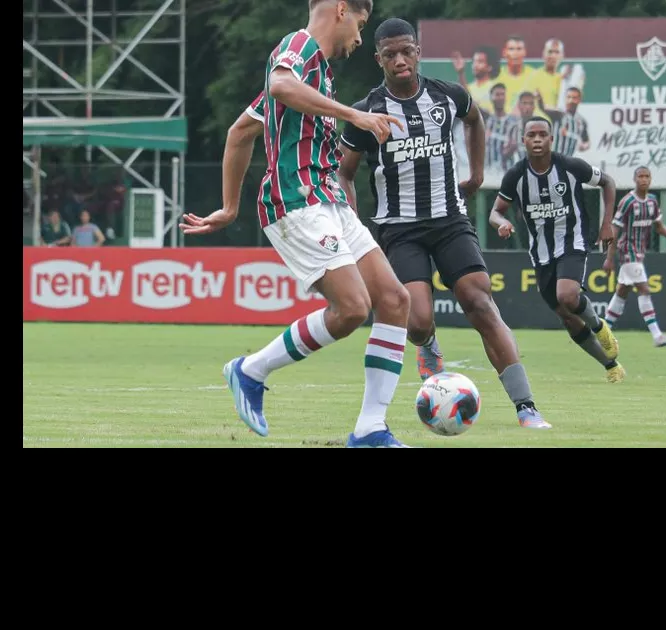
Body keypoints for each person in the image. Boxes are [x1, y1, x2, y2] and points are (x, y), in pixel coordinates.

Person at [178, 0, 415, 448]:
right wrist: (353, 114)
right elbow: (280, 84)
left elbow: (240, 133)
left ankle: (369, 430)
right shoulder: (299, 46)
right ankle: (250, 370)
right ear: (342, 9)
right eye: (361, 25)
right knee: (351, 309)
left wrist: (230, 208)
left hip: (329, 202)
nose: (361, 39)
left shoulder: (320, 75)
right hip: (296, 200)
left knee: (394, 299)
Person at [337, 17, 552, 429]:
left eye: (406, 51)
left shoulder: (448, 96)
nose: (400, 60)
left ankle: (526, 407)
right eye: (390, 55)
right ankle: (428, 343)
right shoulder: (367, 112)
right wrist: (353, 222)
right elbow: (345, 173)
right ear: (378, 58)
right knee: (416, 322)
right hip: (399, 229)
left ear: (417, 52)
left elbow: (475, 120)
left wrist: (475, 175)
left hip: (450, 219)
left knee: (480, 303)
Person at [487, 117, 624, 383]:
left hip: (573, 242)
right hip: (540, 254)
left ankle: (599, 326)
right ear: (523, 140)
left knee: (568, 295)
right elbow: (495, 212)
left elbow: (607, 182)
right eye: (531, 135)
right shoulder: (515, 175)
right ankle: (611, 364)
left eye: (542, 134)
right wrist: (501, 223)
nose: (537, 139)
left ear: (552, 139)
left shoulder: (570, 166)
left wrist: (606, 224)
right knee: (568, 317)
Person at [602, 166, 666, 347]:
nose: (644, 179)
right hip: (627, 252)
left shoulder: (652, 201)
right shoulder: (627, 202)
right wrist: (609, 258)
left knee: (622, 292)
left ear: (651, 179)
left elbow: (659, 226)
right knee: (644, 290)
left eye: (647, 176)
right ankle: (657, 335)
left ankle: (603, 332)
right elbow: (614, 230)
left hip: (639, 253)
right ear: (635, 179)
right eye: (640, 176)